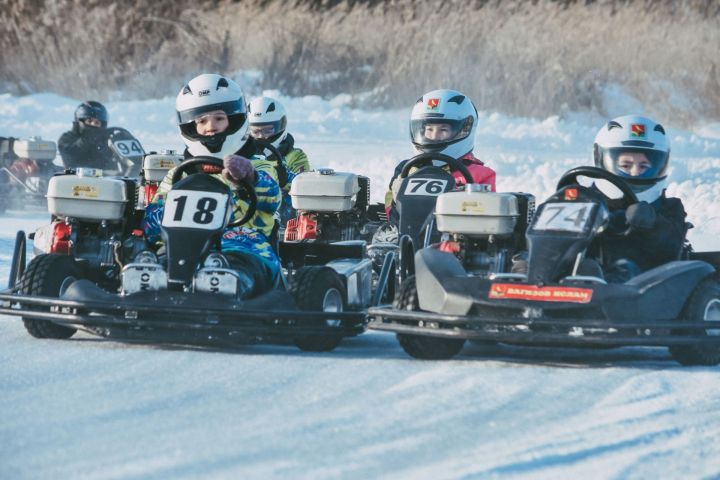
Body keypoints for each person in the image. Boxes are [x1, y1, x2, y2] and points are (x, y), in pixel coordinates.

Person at [142, 73, 282, 298]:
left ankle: (229, 288)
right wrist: (164, 213)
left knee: (240, 265)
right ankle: (149, 289)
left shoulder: (258, 164)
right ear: (189, 126)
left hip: (242, 244)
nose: (211, 127)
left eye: (219, 118)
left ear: (234, 119)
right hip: (181, 247)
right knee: (158, 260)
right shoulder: (178, 173)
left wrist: (247, 176)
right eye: (201, 121)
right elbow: (151, 221)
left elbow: (273, 197)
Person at [592, 114, 688, 282]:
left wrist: (652, 222)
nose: (635, 172)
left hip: (641, 287)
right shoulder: (588, 199)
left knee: (624, 269)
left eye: (644, 166)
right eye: (625, 166)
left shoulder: (669, 207)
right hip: (579, 273)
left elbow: (672, 247)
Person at [383, 89, 496, 222]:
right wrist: (397, 199)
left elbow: (486, 220)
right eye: (429, 129)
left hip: (455, 237)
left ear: (464, 130)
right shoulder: (405, 169)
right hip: (406, 236)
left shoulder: (479, 174)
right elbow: (389, 214)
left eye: (443, 130)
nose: (434, 136)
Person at [248, 96, 311, 223]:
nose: (261, 137)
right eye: (256, 131)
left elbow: (304, 187)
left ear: (280, 126)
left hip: (284, 216)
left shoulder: (296, 156)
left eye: (267, 130)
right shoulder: (242, 155)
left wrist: (283, 175)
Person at [57, 101, 117, 171]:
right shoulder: (67, 138)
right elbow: (70, 157)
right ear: (79, 121)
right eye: (89, 121)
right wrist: (87, 139)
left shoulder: (107, 140)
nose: (93, 124)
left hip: (106, 179)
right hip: (76, 179)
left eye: (97, 122)